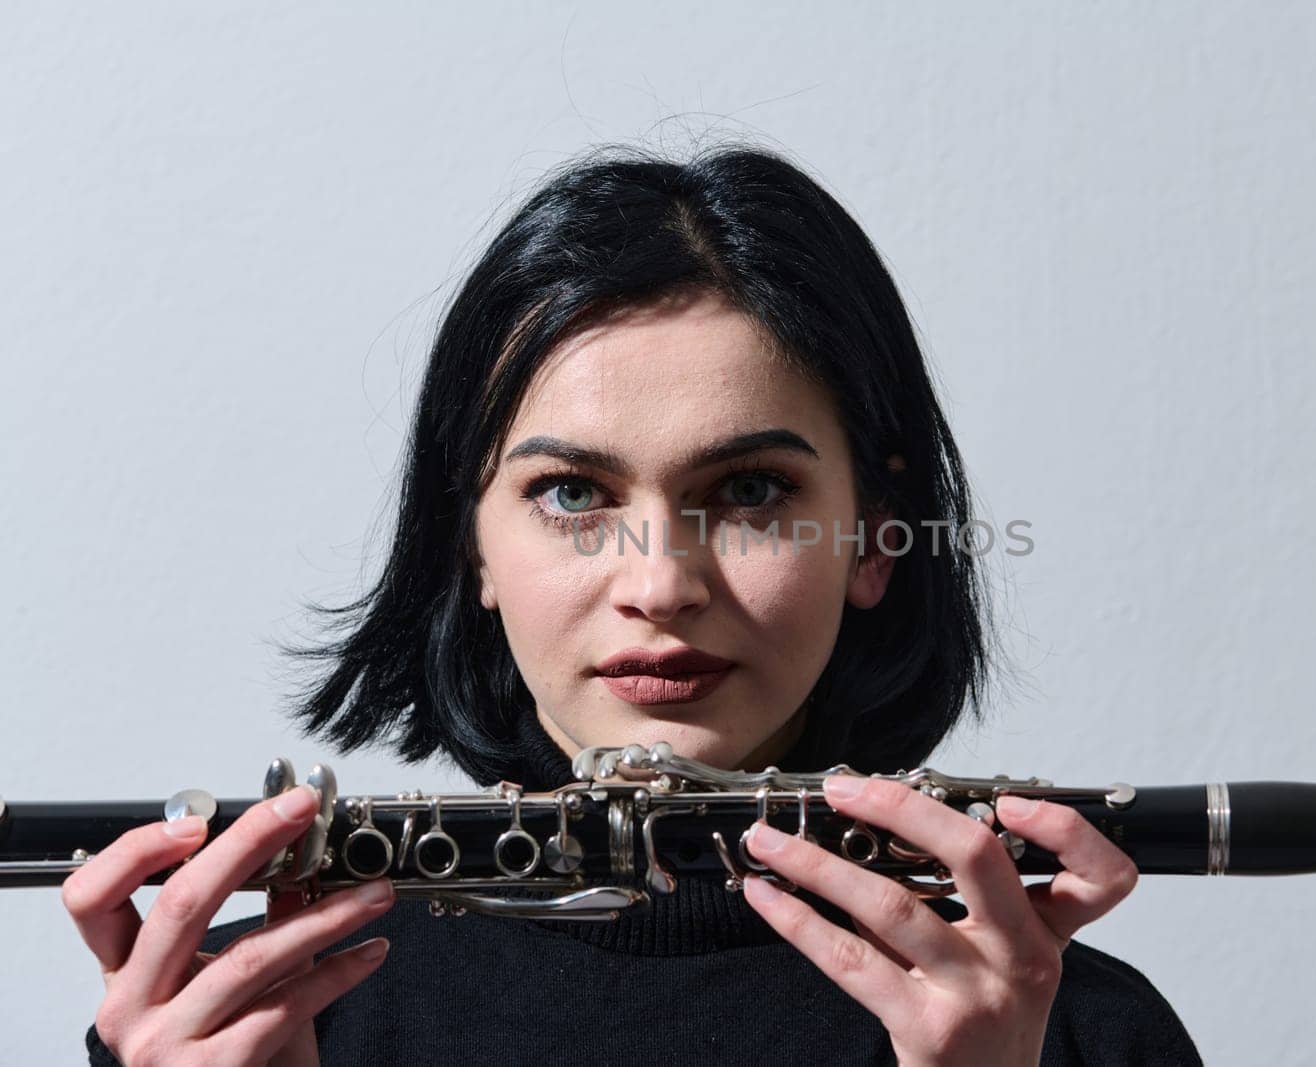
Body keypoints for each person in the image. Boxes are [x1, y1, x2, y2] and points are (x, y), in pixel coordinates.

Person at [66, 144, 1202, 1065]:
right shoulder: (228, 1026)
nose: (660, 583)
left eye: (752, 491)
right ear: (471, 545)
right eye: (570, 492)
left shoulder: (1077, 1035)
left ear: (873, 538)